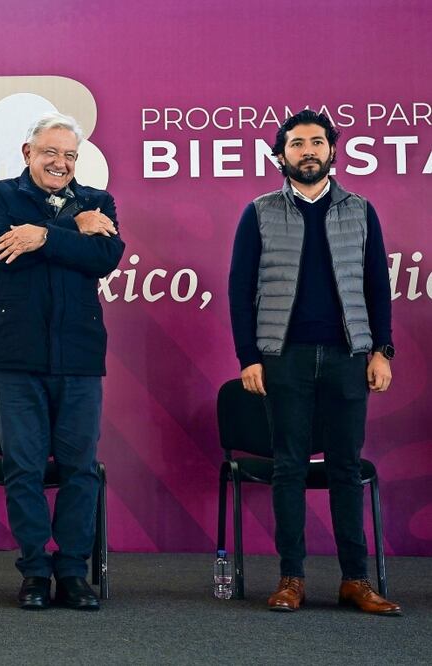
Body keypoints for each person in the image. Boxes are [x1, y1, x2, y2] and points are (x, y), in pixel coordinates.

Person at [228, 109, 401, 615]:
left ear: (331, 150)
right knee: (288, 468)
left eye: (317, 142)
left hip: (349, 357)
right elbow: (240, 290)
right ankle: (292, 579)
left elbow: (376, 287)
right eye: (298, 143)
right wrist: (248, 357)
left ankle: (355, 580)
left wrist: (381, 350)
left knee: (346, 468)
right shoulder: (259, 211)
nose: (308, 151)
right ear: (280, 155)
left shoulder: (360, 210)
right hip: (284, 358)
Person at [0, 112, 124, 610]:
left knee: (80, 468)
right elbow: (2, 253)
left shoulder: (97, 201)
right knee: (23, 466)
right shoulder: (0, 196)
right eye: (50, 153)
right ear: (28, 154)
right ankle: (36, 571)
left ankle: (73, 572)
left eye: (69, 155)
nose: (60, 163)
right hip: (15, 354)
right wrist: (70, 229)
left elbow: (104, 258)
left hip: (80, 355)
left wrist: (43, 235)